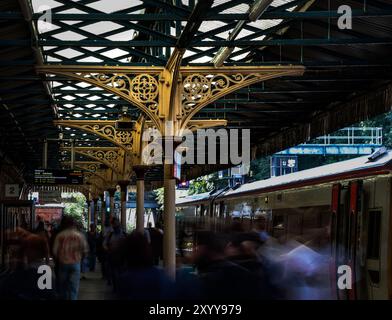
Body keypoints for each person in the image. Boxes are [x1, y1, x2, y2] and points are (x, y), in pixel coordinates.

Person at [52, 216, 89, 300]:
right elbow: (85, 250)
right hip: (76, 263)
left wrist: (59, 258)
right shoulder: (80, 236)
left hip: (63, 263)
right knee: (74, 288)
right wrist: (81, 259)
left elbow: (55, 251)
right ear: (74, 224)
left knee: (63, 287)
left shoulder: (60, 235)